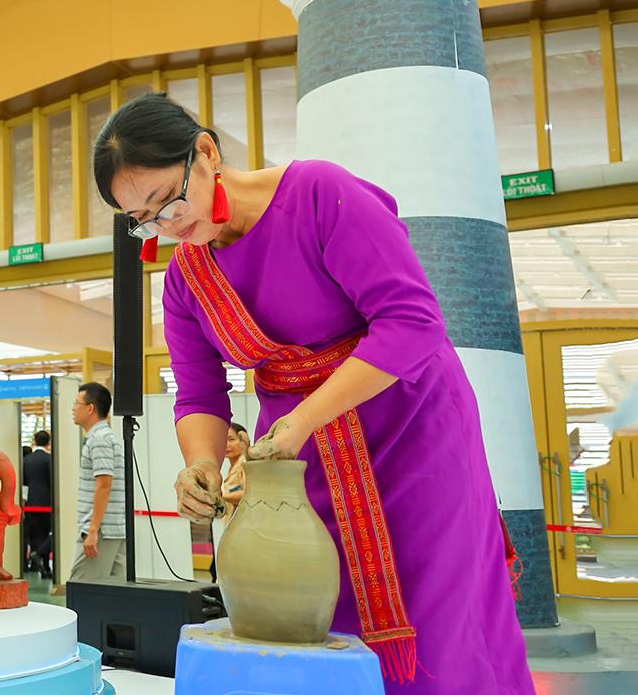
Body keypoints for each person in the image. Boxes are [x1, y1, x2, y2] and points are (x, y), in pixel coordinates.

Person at [94, 93, 532, 694]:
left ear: (205, 152)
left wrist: (302, 421)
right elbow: (199, 392)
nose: (169, 226)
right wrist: (199, 462)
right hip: (303, 465)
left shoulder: (319, 195)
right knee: (321, 615)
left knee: (436, 616)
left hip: (413, 431)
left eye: (169, 200)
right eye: (145, 220)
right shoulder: (184, 281)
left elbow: (412, 321)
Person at [68, 382, 126, 582]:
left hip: (101, 531)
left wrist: (93, 530)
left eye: (77, 404)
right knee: (113, 594)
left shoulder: (99, 439)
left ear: (90, 408)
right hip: (114, 528)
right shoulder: (108, 437)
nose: (73, 409)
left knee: (82, 588)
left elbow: (104, 485)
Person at [22, 429, 53, 577]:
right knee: (50, 533)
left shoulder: (26, 460)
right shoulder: (50, 459)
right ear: (48, 442)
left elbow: (24, 483)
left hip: (31, 503)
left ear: (34, 441)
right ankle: (45, 563)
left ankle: (39, 565)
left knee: (36, 535)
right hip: (47, 504)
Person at [220, 421, 248, 519]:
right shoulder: (233, 467)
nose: (226, 444)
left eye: (231, 439)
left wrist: (220, 497)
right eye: (223, 440)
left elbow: (248, 494)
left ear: (243, 440)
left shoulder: (246, 464)